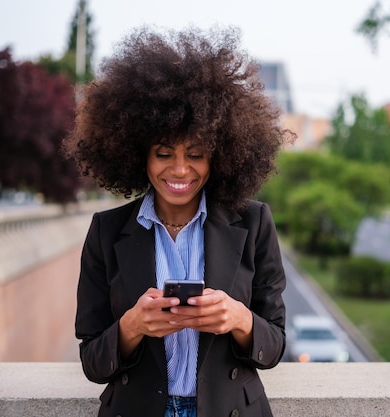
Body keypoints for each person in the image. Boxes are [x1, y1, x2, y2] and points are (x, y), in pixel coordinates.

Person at [63, 25, 295, 417]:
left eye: (197, 153)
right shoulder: (106, 231)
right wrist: (132, 326)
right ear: (140, 155)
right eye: (164, 153)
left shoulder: (254, 222)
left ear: (219, 156)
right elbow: (91, 360)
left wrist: (238, 318)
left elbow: (273, 346)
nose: (181, 169)